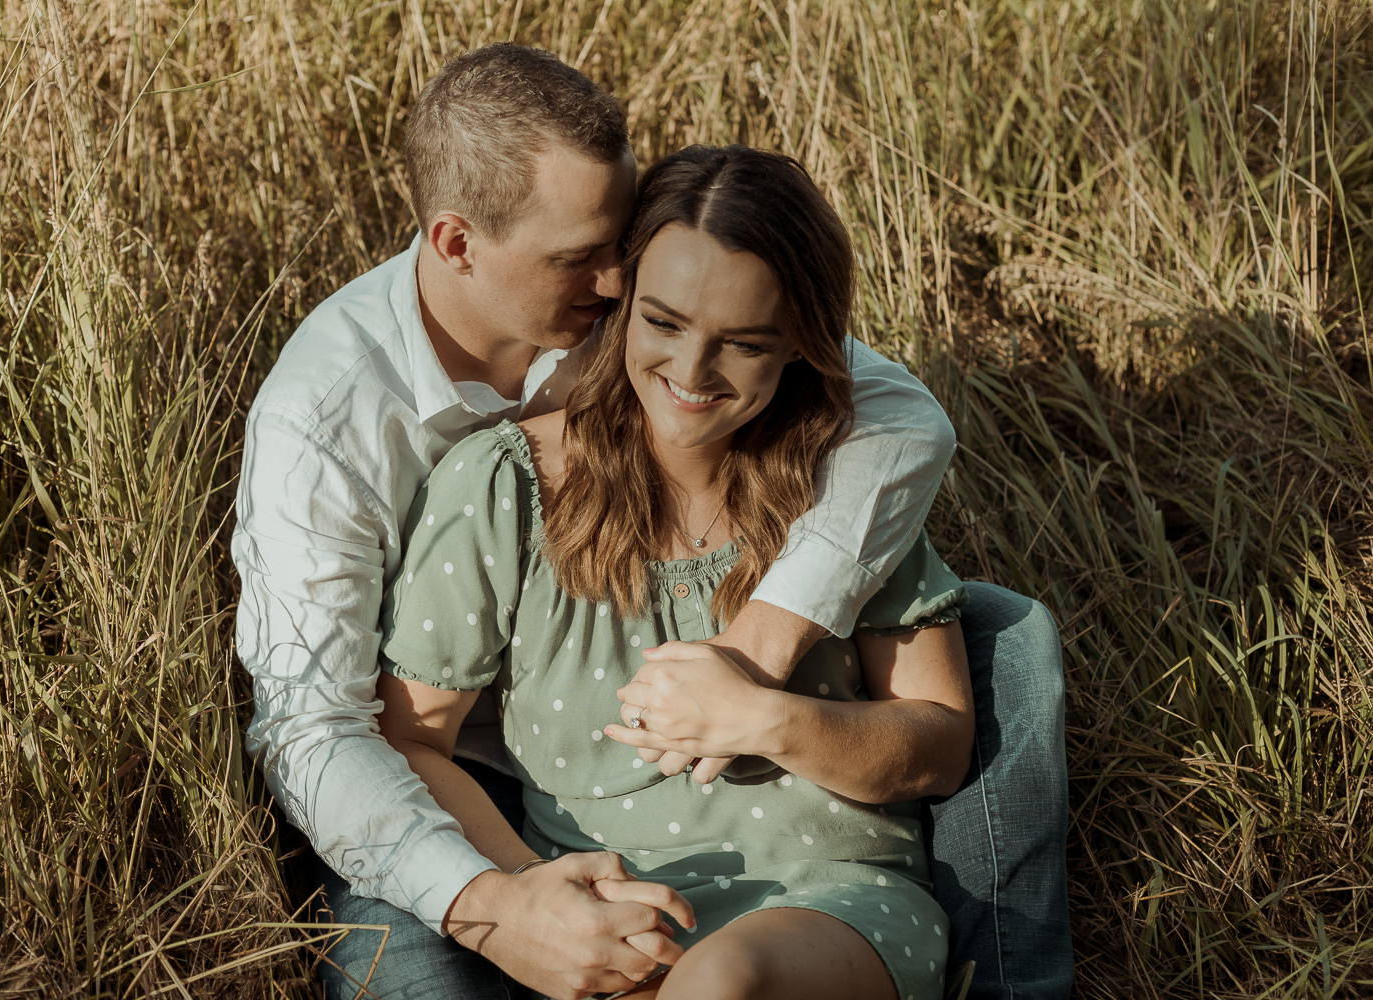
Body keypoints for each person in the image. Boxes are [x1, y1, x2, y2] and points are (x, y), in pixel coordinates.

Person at [231, 43, 1071, 1000]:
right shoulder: (332, 420)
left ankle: (1001, 977)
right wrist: (505, 904)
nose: (615, 287)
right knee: (413, 966)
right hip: (470, 783)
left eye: (620, 250)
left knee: (1006, 639)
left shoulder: (660, 312)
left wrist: (755, 667)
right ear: (458, 244)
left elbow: (905, 417)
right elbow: (322, 730)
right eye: (585, 262)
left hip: (776, 807)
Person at [376, 143, 975, 1000]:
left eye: (743, 343)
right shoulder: (503, 487)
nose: (690, 375)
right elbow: (414, 738)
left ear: (800, 343)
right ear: (621, 300)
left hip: (828, 907)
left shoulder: (851, 490)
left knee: (724, 981)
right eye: (663, 323)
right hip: (611, 922)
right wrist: (531, 894)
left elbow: (940, 747)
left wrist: (769, 720)